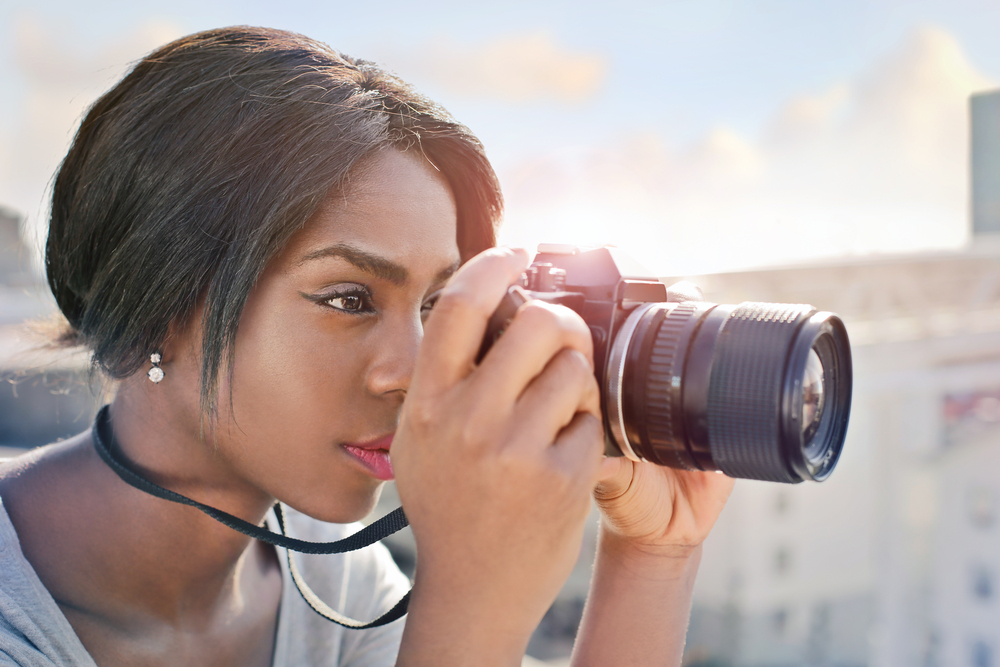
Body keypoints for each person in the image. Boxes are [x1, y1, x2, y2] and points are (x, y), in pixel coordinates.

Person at [0, 26, 734, 667]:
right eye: (350, 299)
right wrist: (470, 594)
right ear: (158, 299)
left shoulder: (332, 582)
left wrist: (652, 555)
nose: (414, 372)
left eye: (434, 305)